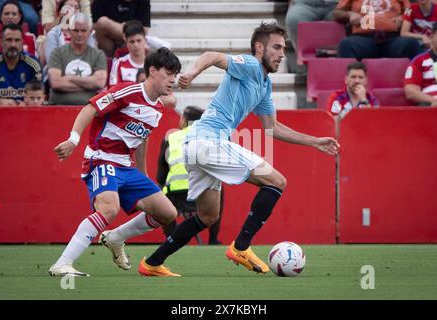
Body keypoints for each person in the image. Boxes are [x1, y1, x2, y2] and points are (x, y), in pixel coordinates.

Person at [135, 22, 340, 277]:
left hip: (196, 145)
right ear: (259, 47)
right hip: (209, 142)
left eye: (284, 48)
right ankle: (241, 247)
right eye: (276, 47)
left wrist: (314, 142)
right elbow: (212, 56)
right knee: (277, 181)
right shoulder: (251, 65)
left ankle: (152, 263)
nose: (281, 54)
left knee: (208, 216)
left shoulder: (264, 85)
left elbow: (272, 128)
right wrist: (193, 73)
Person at [48, 47, 182, 277]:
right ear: (152, 71)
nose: (173, 79)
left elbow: (141, 140)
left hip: (126, 167)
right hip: (101, 158)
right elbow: (91, 107)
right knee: (109, 208)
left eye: (175, 74)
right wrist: (73, 139)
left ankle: (115, 237)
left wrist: (144, 175)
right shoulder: (127, 91)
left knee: (167, 213)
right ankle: (62, 263)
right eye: (168, 72)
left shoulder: (158, 108)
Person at [156, 106, 223, 245]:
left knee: (162, 187)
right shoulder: (209, 137)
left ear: (184, 120)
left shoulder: (172, 138)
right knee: (219, 187)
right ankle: (213, 239)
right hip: (201, 192)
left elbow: (161, 175)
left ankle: (169, 237)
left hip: (175, 194)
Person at [47, 13, 107, 105]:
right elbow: (56, 82)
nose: (79, 34)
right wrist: (89, 84)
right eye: (76, 30)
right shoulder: (57, 53)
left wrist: (70, 78)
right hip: (58, 105)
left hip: (88, 109)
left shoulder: (98, 55)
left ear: (90, 32)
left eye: (83, 30)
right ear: (69, 31)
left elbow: (99, 83)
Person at [334, 0, 421, 60]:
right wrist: (350, 14)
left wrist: (402, 17)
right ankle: (354, 82)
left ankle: (410, 82)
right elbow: (337, 13)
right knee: (345, 44)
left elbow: (409, 10)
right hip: (363, 39)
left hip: (392, 39)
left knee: (411, 44)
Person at [0, 23, 42, 106]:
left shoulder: (33, 64)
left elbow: (38, 96)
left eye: (17, 40)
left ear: (22, 42)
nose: (13, 44)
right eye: (9, 40)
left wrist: (26, 104)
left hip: (27, 114)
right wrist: (0, 101)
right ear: (1, 42)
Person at [284, 0, 338, 72]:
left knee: (344, 19)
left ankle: (334, 65)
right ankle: (307, 61)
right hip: (305, 4)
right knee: (294, 18)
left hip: (338, 4)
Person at [42, 0, 96, 66]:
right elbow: (52, 64)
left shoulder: (89, 34)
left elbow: (92, 61)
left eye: (76, 8)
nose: (73, 10)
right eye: (69, 7)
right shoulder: (53, 35)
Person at [404, 20, 437, 106]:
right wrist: (435, 101)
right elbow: (410, 92)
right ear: (431, 38)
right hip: (432, 106)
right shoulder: (419, 61)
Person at [109, 20, 146, 87]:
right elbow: (113, 91)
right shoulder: (118, 64)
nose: (136, 45)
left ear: (145, 40)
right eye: (132, 41)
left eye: (139, 40)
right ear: (126, 42)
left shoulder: (153, 64)